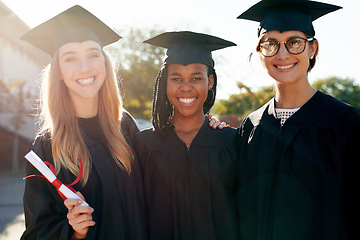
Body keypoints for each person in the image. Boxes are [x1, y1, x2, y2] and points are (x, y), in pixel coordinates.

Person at [20, 5, 146, 240]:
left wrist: (204, 127)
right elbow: (36, 233)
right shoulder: (46, 148)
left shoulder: (125, 126)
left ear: (104, 63)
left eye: (93, 54)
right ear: (59, 72)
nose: (85, 67)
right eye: (70, 58)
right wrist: (73, 232)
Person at [236, 0, 360, 239]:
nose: (282, 54)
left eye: (294, 43)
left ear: (312, 49)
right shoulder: (251, 127)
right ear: (260, 52)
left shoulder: (346, 124)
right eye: (270, 44)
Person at [133, 31, 240, 240]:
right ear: (165, 83)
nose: (186, 87)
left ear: (210, 82)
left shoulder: (232, 142)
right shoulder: (143, 145)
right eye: (176, 78)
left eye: (196, 78)